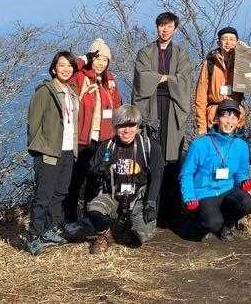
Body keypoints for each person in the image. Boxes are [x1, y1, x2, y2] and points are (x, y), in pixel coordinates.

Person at [131, 11, 192, 223]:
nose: (164, 29)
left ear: (175, 28)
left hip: (173, 108)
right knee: (151, 157)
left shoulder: (182, 54)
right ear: (157, 27)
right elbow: (142, 79)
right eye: (161, 25)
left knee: (172, 158)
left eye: (169, 26)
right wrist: (167, 78)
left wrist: (159, 78)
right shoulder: (145, 52)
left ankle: (170, 213)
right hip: (151, 107)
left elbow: (184, 80)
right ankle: (149, 209)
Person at [86, 105, 163, 252]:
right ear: (115, 127)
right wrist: (99, 169)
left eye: (131, 125)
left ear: (137, 126)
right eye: (122, 126)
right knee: (94, 209)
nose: (127, 130)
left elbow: (157, 176)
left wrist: (151, 202)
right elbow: (91, 172)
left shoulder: (149, 146)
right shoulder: (107, 146)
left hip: (138, 198)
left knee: (142, 235)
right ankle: (104, 234)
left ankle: (129, 226)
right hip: (113, 195)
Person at [26, 51, 80, 255]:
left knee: (60, 193)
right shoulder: (45, 92)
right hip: (49, 152)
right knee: (44, 195)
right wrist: (39, 148)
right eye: (62, 65)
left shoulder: (72, 92)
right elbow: (33, 123)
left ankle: (49, 229)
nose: (66, 69)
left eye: (69, 65)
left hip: (68, 150)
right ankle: (34, 236)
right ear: (54, 68)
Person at [64, 38, 123, 224]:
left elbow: (117, 108)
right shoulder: (80, 77)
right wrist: (83, 58)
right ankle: (70, 218)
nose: (101, 63)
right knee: (76, 179)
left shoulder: (108, 82)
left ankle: (89, 215)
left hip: (103, 139)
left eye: (105, 60)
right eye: (97, 58)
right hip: (83, 139)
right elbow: (66, 72)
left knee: (95, 178)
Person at [179, 99, 251, 241]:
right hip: (205, 193)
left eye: (234, 117)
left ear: (238, 121)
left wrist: (243, 182)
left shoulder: (241, 146)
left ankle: (226, 225)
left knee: (247, 203)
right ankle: (201, 223)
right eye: (225, 116)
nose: (229, 121)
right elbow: (186, 174)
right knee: (213, 223)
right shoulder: (200, 144)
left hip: (227, 190)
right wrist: (189, 197)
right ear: (216, 119)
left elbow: (241, 173)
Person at [194, 26, 248, 136]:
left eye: (232, 39)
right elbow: (200, 96)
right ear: (219, 42)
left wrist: (245, 51)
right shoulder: (210, 63)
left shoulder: (241, 62)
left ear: (237, 42)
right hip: (214, 116)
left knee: (235, 146)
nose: (228, 42)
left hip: (235, 115)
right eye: (225, 39)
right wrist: (201, 125)